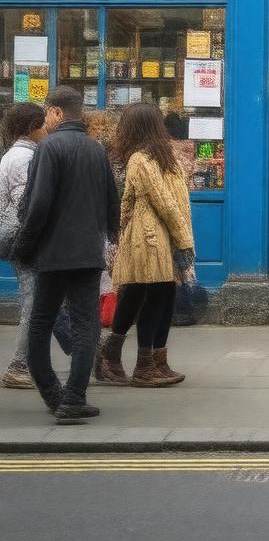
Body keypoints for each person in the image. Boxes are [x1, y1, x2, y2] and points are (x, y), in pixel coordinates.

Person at [11, 87, 120, 425]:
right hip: (88, 251)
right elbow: (112, 203)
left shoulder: (48, 148)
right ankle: (74, 397)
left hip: (53, 253)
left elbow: (38, 204)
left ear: (56, 113)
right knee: (86, 324)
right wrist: (110, 240)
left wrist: (24, 245)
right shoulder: (96, 150)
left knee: (41, 321)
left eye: (47, 112)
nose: (45, 117)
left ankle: (53, 392)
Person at [95, 103, 196, 387]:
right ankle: (143, 365)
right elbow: (161, 201)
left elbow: (171, 201)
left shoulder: (163, 157)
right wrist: (184, 238)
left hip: (163, 236)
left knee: (159, 296)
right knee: (151, 295)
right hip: (149, 237)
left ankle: (150, 360)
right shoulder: (141, 159)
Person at [0, 102, 65, 390]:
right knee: (35, 302)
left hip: (22, 238)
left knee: (45, 299)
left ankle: (86, 351)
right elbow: (28, 205)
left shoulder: (18, 155)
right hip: (26, 239)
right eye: (42, 125)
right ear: (30, 128)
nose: (46, 130)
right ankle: (18, 365)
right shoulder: (24, 159)